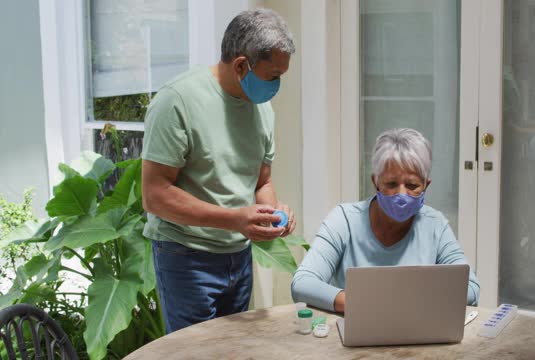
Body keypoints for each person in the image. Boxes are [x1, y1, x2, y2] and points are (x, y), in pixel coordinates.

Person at [141, 8, 296, 333]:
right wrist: (234, 219)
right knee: (194, 354)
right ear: (241, 65)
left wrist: (272, 213)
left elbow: (262, 180)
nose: (277, 85)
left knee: (233, 349)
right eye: (273, 76)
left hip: (238, 255)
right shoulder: (177, 101)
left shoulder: (263, 109)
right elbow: (155, 196)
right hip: (186, 256)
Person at [291, 128, 479, 312]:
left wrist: (408, 304)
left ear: (426, 185)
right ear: (375, 182)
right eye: (391, 184)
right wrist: (364, 304)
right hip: (356, 327)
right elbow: (303, 283)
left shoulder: (435, 226)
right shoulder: (344, 221)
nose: (402, 194)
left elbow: (470, 287)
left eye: (412, 185)